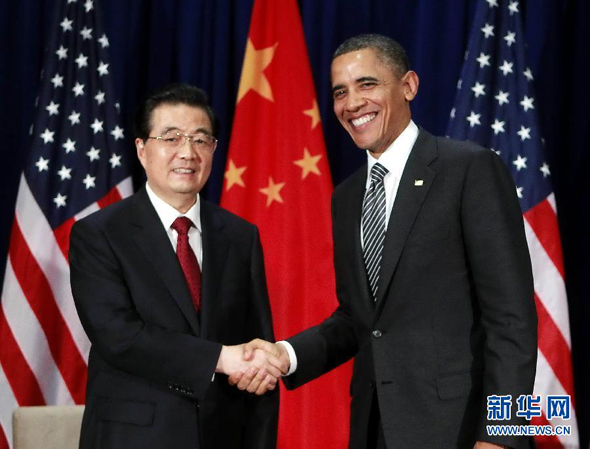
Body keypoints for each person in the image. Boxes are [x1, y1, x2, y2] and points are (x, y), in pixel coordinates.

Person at [234, 34, 537, 449]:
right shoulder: (347, 196)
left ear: (409, 85)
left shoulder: (468, 169)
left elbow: (512, 319)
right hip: (374, 428)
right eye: (340, 91)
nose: (351, 103)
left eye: (367, 84)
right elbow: (358, 321)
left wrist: (502, 437)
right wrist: (285, 355)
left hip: (461, 430)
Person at [69, 83, 283, 449]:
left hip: (224, 435)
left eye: (201, 140)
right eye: (171, 138)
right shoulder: (99, 234)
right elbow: (119, 336)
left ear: (214, 150)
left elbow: (254, 343)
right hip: (132, 438)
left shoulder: (240, 236)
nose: (188, 153)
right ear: (141, 149)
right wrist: (220, 358)